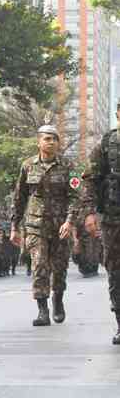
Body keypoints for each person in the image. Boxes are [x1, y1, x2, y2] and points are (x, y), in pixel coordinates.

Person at [10, 125, 78, 327]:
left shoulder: (68, 166)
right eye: (47, 139)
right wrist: (14, 226)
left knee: (59, 268)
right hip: (35, 225)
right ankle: (42, 310)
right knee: (39, 265)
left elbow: (75, 196)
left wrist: (69, 221)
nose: (51, 142)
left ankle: (58, 299)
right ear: (38, 142)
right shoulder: (28, 165)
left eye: (55, 139)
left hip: (60, 226)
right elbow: (19, 197)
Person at [81, 103, 120, 343]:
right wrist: (89, 213)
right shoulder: (107, 145)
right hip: (113, 220)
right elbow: (90, 180)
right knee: (115, 272)